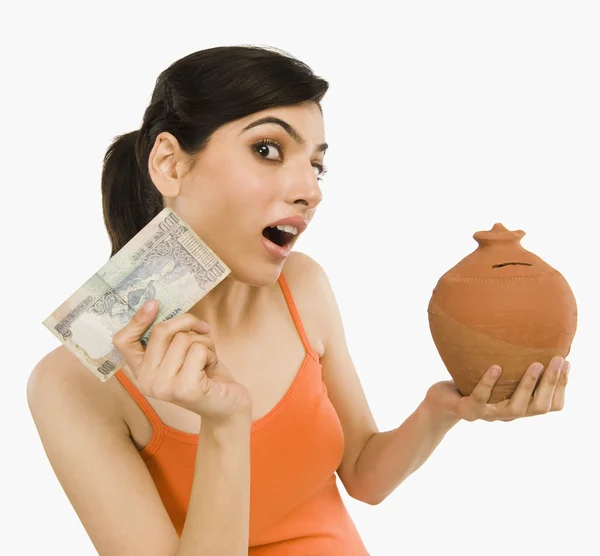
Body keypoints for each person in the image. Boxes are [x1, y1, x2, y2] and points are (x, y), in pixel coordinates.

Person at [26, 45, 571, 556]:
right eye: (267, 149)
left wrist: (443, 408)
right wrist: (224, 424)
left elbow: (362, 476)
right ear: (170, 164)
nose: (311, 190)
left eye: (317, 164)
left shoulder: (302, 286)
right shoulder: (71, 387)